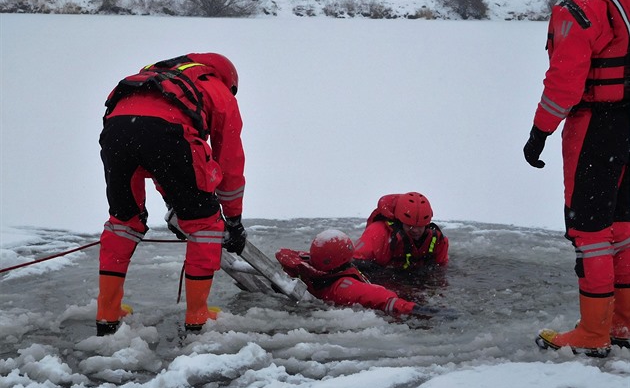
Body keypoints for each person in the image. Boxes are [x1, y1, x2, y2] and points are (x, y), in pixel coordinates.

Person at [97, 53, 247, 336]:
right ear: (229, 80)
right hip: (169, 132)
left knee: (123, 221)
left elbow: (154, 154)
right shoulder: (216, 87)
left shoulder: (153, 76)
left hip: (115, 130)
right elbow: (228, 160)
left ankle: (107, 313)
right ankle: (198, 318)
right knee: (204, 225)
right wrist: (234, 219)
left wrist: (177, 203)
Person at [522, 0, 630, 356]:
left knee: (590, 230)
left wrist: (540, 132)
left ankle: (593, 332)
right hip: (627, 125)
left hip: (597, 126)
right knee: (622, 225)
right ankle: (623, 323)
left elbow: (565, 81)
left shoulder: (578, 7)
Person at [276, 230, 437, 317]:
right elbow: (380, 296)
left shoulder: (306, 269)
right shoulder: (343, 287)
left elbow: (285, 254)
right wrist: (418, 309)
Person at [353, 192, 449, 272]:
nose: (415, 230)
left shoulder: (438, 240)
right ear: (399, 221)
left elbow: (441, 268)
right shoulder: (377, 233)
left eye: (420, 226)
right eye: (409, 225)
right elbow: (354, 262)